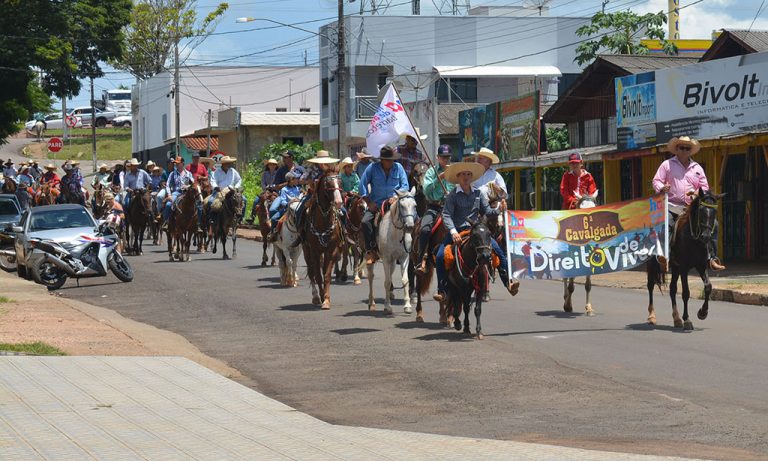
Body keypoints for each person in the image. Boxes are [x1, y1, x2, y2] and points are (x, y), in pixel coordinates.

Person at [434, 162, 518, 302]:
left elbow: (488, 211)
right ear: (458, 177)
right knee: (440, 256)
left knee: (498, 251)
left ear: (471, 177)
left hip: (475, 231)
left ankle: (508, 283)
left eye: (468, 174)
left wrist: (499, 209)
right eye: (463, 174)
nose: (466, 177)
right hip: (457, 231)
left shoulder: (478, 193)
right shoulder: (453, 195)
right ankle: (442, 290)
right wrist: (453, 231)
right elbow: (446, 215)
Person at [652, 136, 725, 272]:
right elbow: (656, 181)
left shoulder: (697, 168)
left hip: (692, 208)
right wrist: (662, 187)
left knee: (713, 224)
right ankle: (665, 256)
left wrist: (696, 192)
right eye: (682, 148)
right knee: (666, 224)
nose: (684, 150)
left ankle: (712, 258)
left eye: (687, 148)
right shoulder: (667, 165)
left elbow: (704, 187)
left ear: (691, 151)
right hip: (672, 205)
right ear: (676, 149)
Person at [359, 146, 409, 263]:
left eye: (392, 160)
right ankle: (371, 250)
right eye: (388, 160)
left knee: (412, 219)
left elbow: (405, 185)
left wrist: (396, 196)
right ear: (382, 160)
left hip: (395, 203)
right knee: (365, 221)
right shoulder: (372, 168)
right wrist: (368, 202)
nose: (391, 162)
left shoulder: (398, 167)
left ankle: (410, 247)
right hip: (377, 205)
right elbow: (362, 184)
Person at [415, 144, 455, 274]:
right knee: (424, 229)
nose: (446, 160)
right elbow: (426, 190)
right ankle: (422, 259)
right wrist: (439, 178)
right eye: (443, 157)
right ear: (438, 157)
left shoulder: (455, 171)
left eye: (447, 157)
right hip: (434, 207)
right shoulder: (431, 172)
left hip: (451, 207)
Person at [293, 150, 340, 231]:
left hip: (329, 194)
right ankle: (300, 231)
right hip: (313, 194)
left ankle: (344, 231)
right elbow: (301, 180)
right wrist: (310, 181)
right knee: (300, 210)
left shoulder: (331, 169)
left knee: (343, 210)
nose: (322, 163)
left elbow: (335, 180)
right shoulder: (311, 168)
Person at [207, 156, 244, 228]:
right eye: (227, 163)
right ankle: (212, 219)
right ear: (223, 164)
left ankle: (240, 219)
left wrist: (236, 187)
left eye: (229, 163)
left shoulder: (233, 171)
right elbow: (213, 181)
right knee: (210, 201)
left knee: (244, 200)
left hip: (231, 191)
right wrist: (216, 187)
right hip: (220, 191)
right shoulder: (217, 172)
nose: (229, 164)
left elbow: (239, 180)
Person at [266, 172, 302, 241]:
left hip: (297, 209)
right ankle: (273, 233)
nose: (297, 180)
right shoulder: (284, 190)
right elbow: (283, 202)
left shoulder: (297, 189)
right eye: (295, 179)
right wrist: (290, 202)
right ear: (290, 180)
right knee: (274, 219)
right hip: (287, 209)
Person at [163, 157, 194, 222]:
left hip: (187, 193)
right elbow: (168, 185)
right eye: (176, 163)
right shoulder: (172, 174)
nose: (176, 165)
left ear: (183, 163)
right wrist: (169, 195)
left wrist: (187, 186)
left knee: (198, 204)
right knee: (168, 205)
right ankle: (166, 221)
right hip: (176, 193)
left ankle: (198, 223)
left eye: (178, 163)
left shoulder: (188, 174)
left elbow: (193, 184)